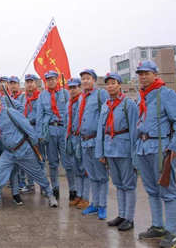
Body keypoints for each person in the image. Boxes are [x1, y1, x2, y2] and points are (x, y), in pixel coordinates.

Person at [134, 61, 176, 248]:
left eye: (146, 73)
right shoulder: (143, 95)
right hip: (143, 147)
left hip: (160, 148)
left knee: (168, 191)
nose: (143, 76)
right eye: (140, 73)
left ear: (155, 74)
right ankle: (158, 225)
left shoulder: (166, 94)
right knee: (151, 190)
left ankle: (172, 233)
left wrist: (175, 148)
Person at [95, 73, 138, 231]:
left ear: (120, 85)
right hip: (110, 148)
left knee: (129, 185)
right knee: (119, 184)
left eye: (113, 83)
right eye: (108, 84)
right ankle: (121, 215)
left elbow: (134, 130)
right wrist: (101, 152)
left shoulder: (128, 104)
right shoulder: (106, 105)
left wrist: (135, 155)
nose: (110, 86)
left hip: (125, 148)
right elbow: (101, 129)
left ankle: (130, 218)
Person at [36, 70, 75, 201]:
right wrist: (39, 133)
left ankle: (73, 189)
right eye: (48, 79)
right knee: (52, 162)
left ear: (57, 80)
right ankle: (55, 188)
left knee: (68, 162)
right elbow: (39, 115)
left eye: (53, 79)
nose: (51, 81)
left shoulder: (65, 93)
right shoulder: (43, 95)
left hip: (63, 129)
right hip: (50, 129)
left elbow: (71, 112)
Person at [77, 69, 110, 219]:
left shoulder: (100, 94)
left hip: (97, 141)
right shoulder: (82, 97)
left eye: (88, 78)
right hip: (84, 141)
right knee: (91, 175)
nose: (85, 81)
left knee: (101, 175)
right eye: (83, 79)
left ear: (94, 80)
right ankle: (95, 203)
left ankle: (102, 205)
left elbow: (108, 116)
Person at [64, 78, 91, 210]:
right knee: (77, 169)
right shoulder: (69, 102)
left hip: (82, 138)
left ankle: (85, 197)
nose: (72, 90)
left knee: (85, 169)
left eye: (75, 87)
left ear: (80, 87)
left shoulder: (83, 100)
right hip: (72, 137)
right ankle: (79, 195)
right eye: (70, 88)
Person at [19, 73, 40, 193]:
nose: (29, 84)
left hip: (35, 130)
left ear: (35, 83)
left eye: (31, 81)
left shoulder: (40, 97)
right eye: (27, 82)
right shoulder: (23, 97)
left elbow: (40, 115)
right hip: (24, 132)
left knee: (39, 159)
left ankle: (43, 185)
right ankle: (30, 184)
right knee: (27, 159)